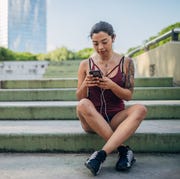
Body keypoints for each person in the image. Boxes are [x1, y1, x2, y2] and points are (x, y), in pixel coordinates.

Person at [76, 21, 147, 176]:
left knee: (140, 109)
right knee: (83, 103)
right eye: (95, 43)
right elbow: (79, 97)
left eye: (104, 42)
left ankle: (101, 155)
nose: (100, 47)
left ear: (113, 38)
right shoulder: (85, 64)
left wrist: (111, 85)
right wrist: (86, 85)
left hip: (115, 118)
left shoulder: (126, 63)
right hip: (91, 119)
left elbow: (128, 96)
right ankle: (123, 150)